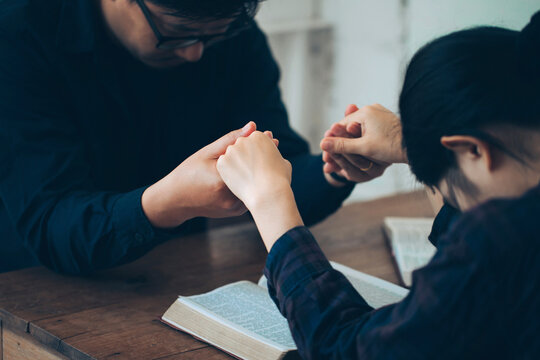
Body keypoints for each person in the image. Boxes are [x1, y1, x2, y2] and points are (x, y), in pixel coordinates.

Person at [215, 11, 540, 359]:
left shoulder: (503, 240)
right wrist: (416, 143)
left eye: (444, 189)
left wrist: (270, 200)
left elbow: (343, 349)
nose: (454, 207)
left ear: (474, 149)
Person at [0, 0, 362, 274]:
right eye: (174, 34)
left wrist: (337, 166)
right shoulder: (19, 35)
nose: (195, 53)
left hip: (177, 277)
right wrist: (165, 203)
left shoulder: (232, 34)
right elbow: (49, 222)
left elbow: (283, 174)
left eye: (214, 34)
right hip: (35, 288)